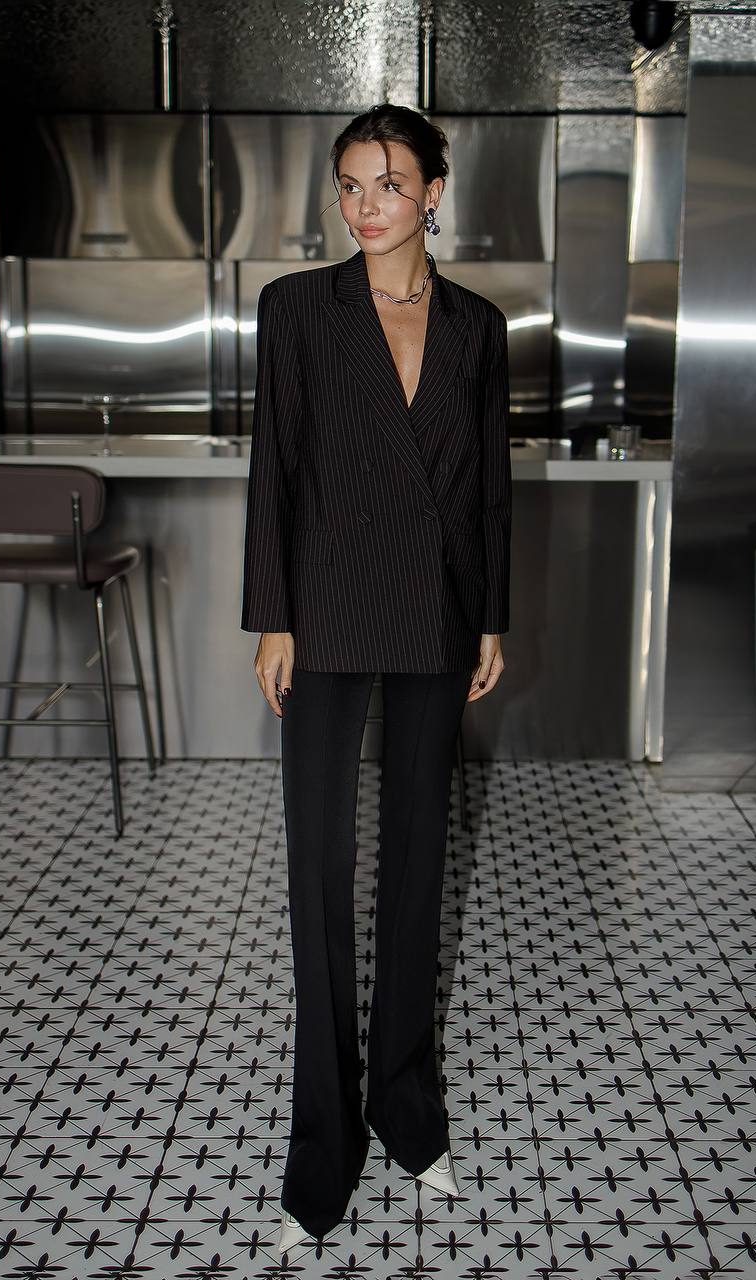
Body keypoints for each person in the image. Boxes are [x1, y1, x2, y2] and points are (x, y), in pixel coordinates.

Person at [240, 101, 512, 1254]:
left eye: (388, 184)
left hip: (437, 615)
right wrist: (270, 616)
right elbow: (276, 467)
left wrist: (492, 614)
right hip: (329, 610)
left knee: (415, 870)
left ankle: (406, 1106)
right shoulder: (297, 308)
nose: (363, 206)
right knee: (320, 875)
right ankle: (323, 1138)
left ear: (434, 193)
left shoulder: (477, 324)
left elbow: (491, 479)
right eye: (349, 184)